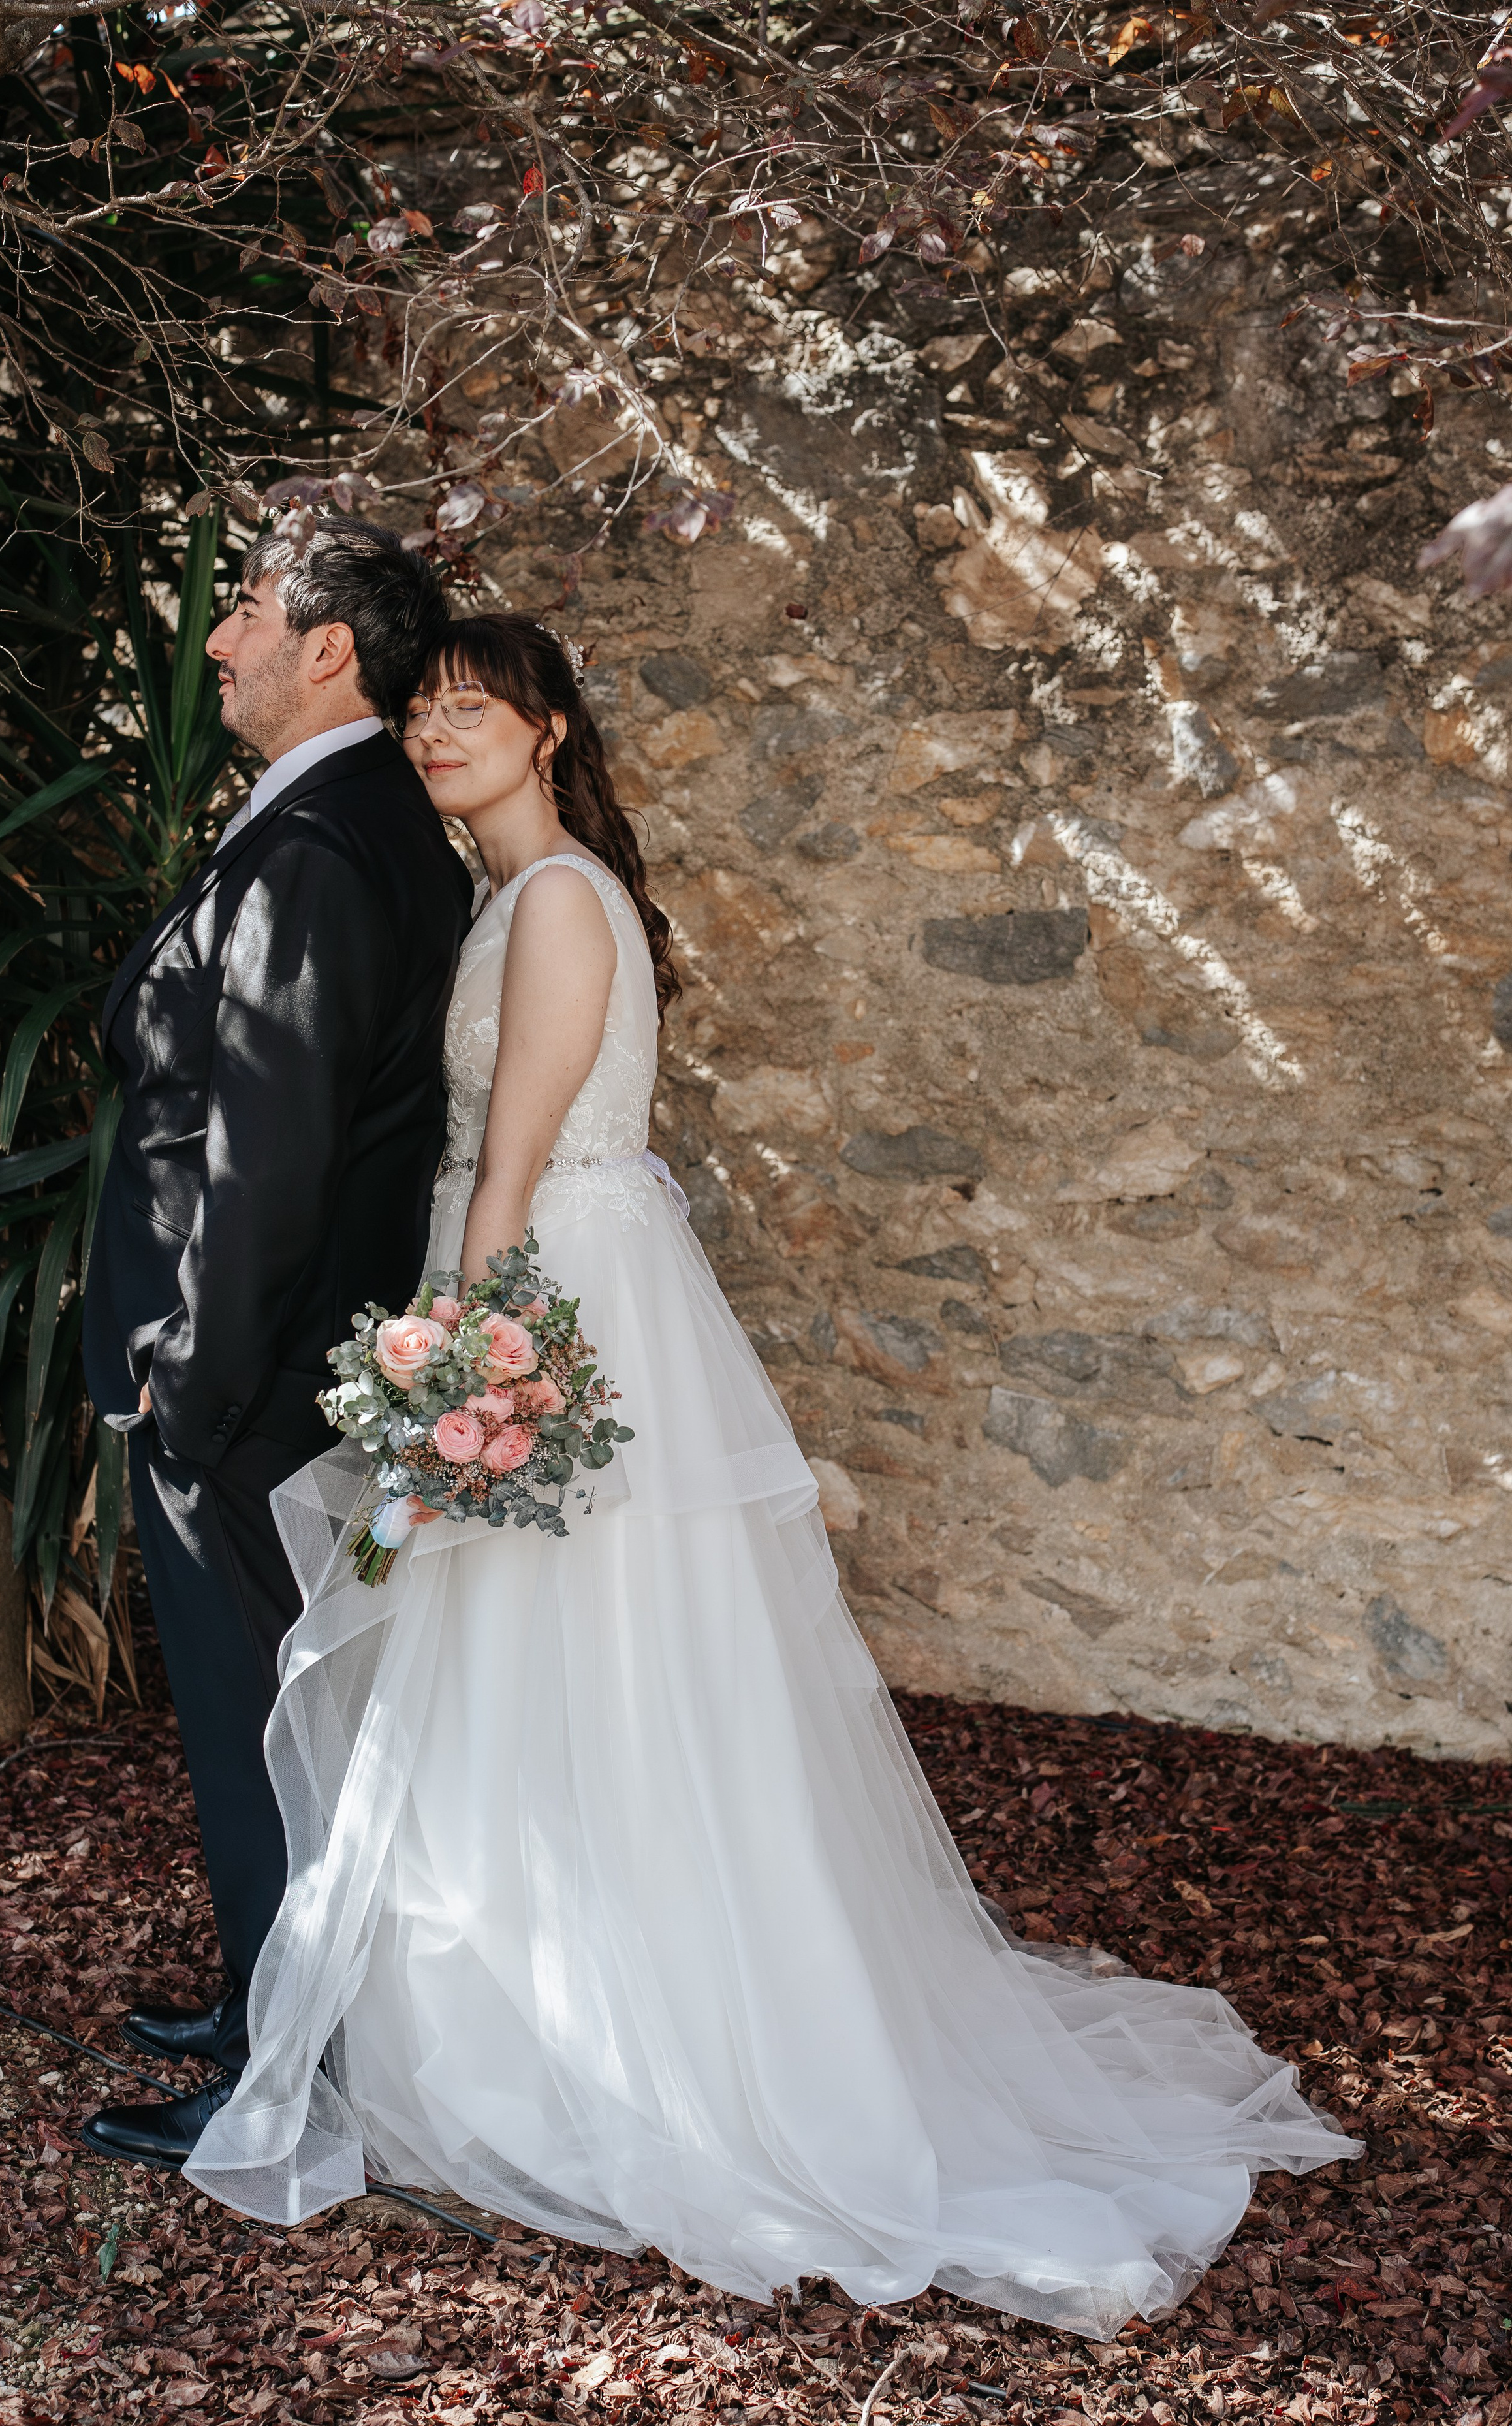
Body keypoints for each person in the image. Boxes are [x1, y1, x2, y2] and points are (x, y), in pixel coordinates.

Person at [183, 616, 1358, 2331]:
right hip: (532, 1269)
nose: (439, 738)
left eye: (473, 714)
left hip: (539, 1285)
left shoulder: (563, 902)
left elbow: (508, 1168)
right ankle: (538, 2014)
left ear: (550, 729)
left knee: (577, 1649)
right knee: (544, 1661)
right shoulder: (519, 900)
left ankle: (633, 2043)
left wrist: (465, 1379)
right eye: (423, 715)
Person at [79, 518, 475, 2167]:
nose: (219, 637)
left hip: (245, 1368)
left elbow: (271, 1141)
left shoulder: (319, 844)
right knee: (283, 1716)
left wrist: (193, 1368)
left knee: (263, 1721)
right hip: (284, 1352)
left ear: (328, 647)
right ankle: (270, 2004)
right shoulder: (347, 819)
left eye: (242, 608)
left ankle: (288, 2084)